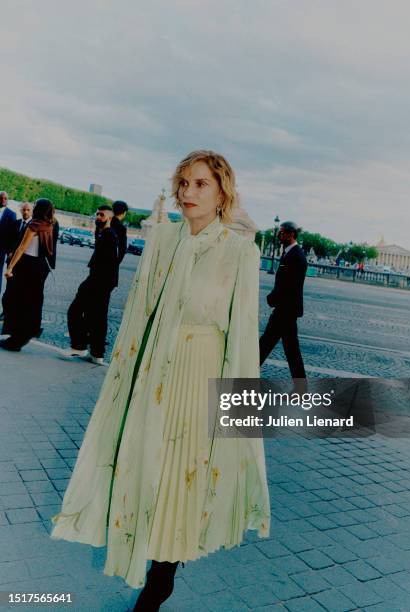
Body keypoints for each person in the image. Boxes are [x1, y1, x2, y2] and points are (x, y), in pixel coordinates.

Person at [51, 150, 270, 610]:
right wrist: (123, 380)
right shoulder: (162, 239)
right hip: (153, 369)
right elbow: (137, 313)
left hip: (201, 371)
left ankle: (164, 571)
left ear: (223, 191)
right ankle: (150, 551)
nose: (188, 193)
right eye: (183, 183)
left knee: (181, 473)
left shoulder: (239, 252)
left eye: (200, 184)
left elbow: (243, 333)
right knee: (144, 462)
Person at [62, 205, 119, 365]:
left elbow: (108, 264)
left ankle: (79, 346)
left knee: (75, 311)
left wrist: (95, 284)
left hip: (98, 282)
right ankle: (96, 354)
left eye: (101, 215)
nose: (98, 217)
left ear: (109, 217)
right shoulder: (105, 233)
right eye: (97, 214)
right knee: (97, 318)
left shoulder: (108, 235)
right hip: (101, 281)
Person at [1, 198, 58, 351]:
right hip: (39, 267)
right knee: (30, 302)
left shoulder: (34, 225)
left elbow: (21, 248)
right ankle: (22, 335)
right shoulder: (49, 225)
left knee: (12, 299)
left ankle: (15, 337)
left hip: (26, 265)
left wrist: (10, 267)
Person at [259, 220, 307, 380]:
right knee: (287, 349)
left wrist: (273, 297)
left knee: (266, 344)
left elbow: (289, 284)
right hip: (286, 310)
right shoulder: (291, 253)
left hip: (285, 310)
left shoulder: (295, 256)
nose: (279, 235)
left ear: (291, 234)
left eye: (282, 232)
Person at [0, 191, 17, 315]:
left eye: (5, 198)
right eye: (1, 198)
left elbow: (13, 235)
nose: (3, 200)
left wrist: (10, 251)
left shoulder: (12, 214)